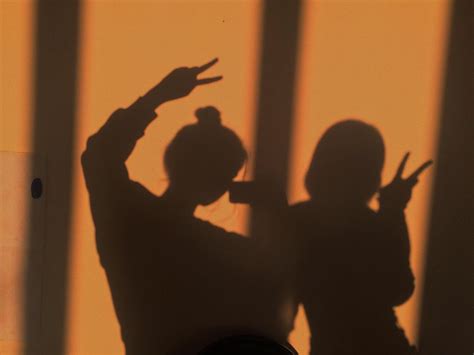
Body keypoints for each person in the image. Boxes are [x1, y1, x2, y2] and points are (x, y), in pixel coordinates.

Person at [81, 59, 294, 354]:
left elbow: (99, 155)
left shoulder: (128, 215)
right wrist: (278, 214)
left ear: (173, 160)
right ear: (221, 187)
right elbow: (280, 299)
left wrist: (158, 96)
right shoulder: (224, 248)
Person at [290, 120, 432, 355]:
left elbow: (282, 303)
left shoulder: (297, 220)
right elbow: (400, 289)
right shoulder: (373, 223)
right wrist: (393, 211)